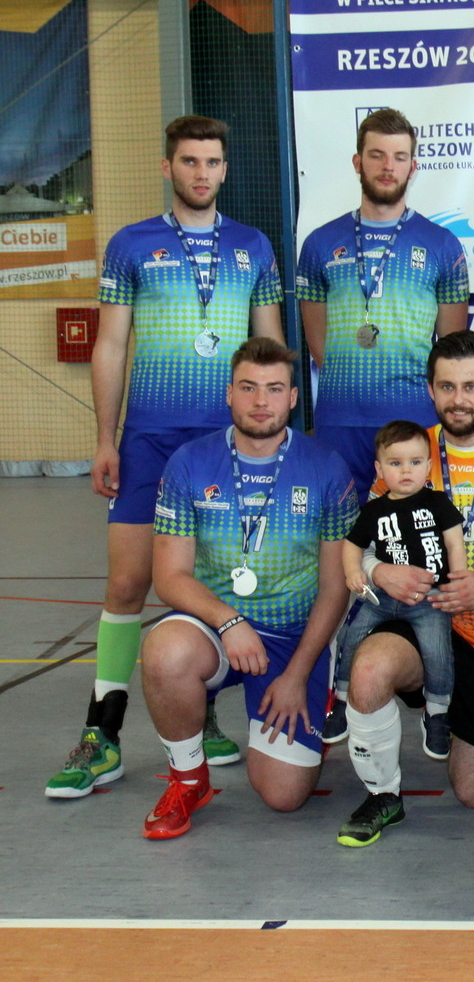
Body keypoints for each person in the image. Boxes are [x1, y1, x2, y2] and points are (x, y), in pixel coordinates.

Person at [48, 115, 283, 800]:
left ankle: (199, 710)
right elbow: (110, 345)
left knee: (214, 579)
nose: (201, 173)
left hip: (226, 445)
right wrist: (106, 438)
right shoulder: (131, 244)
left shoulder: (253, 246)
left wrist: (272, 438)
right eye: (189, 161)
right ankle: (102, 735)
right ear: (167, 167)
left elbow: (269, 352)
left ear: (225, 169)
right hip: (149, 439)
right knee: (127, 583)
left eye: (212, 162)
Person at [137, 338, 358, 839]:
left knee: (283, 795)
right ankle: (188, 779)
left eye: (274, 389)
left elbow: (334, 588)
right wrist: (228, 621)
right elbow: (169, 577)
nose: (261, 401)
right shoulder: (189, 463)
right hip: (215, 626)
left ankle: (315, 697)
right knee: (165, 651)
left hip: (291, 638)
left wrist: (297, 674)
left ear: (293, 398)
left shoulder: (326, 468)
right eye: (249, 388)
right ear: (229, 394)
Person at [333, 331, 474, 846]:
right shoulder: (405, 452)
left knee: (472, 791)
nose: (458, 399)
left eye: (470, 386)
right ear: (430, 390)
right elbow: (361, 540)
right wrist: (378, 572)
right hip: (417, 619)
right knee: (369, 667)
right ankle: (382, 793)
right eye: (447, 386)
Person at [296, 107, 470, 488]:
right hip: (339, 421)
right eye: (377, 155)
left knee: (410, 524)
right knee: (340, 524)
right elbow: (319, 347)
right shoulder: (320, 244)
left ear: (413, 167)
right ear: (357, 162)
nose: (388, 167)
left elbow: (451, 352)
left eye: (399, 157)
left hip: (413, 421)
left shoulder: (442, 245)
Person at [336, 420, 468, 759]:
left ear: (428, 466)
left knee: (438, 650)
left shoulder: (438, 502)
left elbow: (454, 542)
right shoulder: (373, 510)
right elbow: (352, 545)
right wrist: (353, 571)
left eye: (415, 462)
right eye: (395, 463)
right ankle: (341, 699)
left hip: (429, 598)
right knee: (350, 636)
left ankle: (437, 711)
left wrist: (458, 578)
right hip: (382, 598)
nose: (406, 471)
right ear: (379, 470)